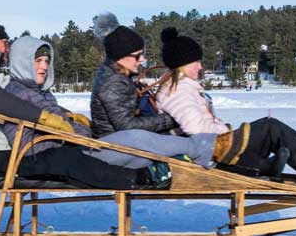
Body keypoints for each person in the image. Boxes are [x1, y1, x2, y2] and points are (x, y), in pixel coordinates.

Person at [0, 17, 168, 189]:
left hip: (0, 150)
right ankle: (138, 178)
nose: (7, 49)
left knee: (64, 156)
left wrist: (65, 114)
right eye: (5, 43)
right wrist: (43, 118)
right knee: (63, 159)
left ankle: (139, 167)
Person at [153, 28, 296, 185]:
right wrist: (226, 132)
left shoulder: (183, 86)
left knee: (271, 129)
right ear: (181, 63)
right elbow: (195, 128)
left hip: (214, 149)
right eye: (195, 62)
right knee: (271, 127)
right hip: (212, 153)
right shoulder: (176, 89)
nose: (200, 66)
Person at [89, 23, 219, 168]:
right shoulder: (112, 82)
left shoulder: (117, 76)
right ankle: (206, 153)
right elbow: (127, 126)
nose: (142, 59)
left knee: (165, 141)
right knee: (182, 144)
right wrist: (170, 119)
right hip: (113, 148)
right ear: (120, 57)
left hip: (117, 143)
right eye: (137, 55)